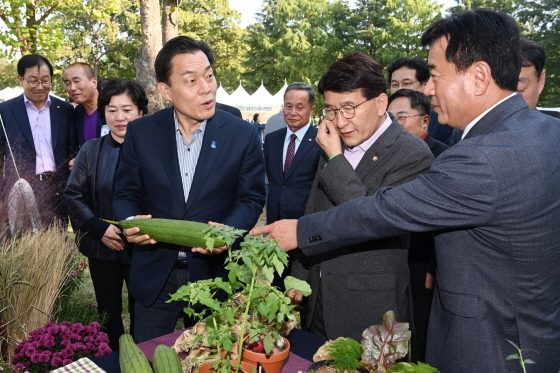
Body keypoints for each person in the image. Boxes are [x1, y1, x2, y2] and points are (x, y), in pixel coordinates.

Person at [252, 9, 560, 372]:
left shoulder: (479, 158)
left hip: (492, 347)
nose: (427, 89)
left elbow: (382, 211)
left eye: (436, 75)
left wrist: (299, 232)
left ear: (478, 77)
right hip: (532, 332)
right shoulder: (545, 132)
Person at [112, 36, 266, 343]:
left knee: (214, 357)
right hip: (156, 275)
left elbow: (251, 197)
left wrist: (228, 233)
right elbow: (124, 192)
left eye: (209, 75)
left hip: (216, 276)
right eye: (191, 80)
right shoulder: (142, 132)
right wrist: (130, 223)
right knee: (150, 359)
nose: (206, 87)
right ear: (166, 90)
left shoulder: (242, 134)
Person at [287, 53, 433, 342]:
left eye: (349, 108)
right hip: (318, 301)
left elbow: (368, 219)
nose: (340, 121)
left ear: (380, 103)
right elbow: (313, 212)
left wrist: (334, 157)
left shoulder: (413, 155)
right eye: (331, 110)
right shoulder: (333, 142)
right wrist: (299, 278)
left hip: (371, 311)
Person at [64, 80, 147, 351]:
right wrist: (100, 229)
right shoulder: (91, 149)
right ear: (104, 113)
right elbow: (73, 194)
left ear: (141, 112)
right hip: (102, 246)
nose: (119, 117)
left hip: (145, 248)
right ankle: (112, 357)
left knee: (144, 313)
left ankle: (142, 360)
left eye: (127, 109)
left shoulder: (155, 152)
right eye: (112, 110)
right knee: (108, 314)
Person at [387, 88, 447, 361]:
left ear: (425, 120)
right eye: (389, 118)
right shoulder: (382, 155)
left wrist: (435, 264)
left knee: (417, 338)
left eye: (402, 117)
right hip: (387, 262)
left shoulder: (445, 158)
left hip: (421, 264)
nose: (394, 125)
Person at [0, 54, 77, 226]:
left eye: (45, 80)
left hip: (57, 191)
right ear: (21, 79)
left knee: (54, 243)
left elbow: (72, 149)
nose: (40, 87)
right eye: (33, 81)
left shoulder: (64, 110)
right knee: (20, 245)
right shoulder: (4, 111)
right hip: (18, 191)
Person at [449, 37, 560, 145]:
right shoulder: (465, 133)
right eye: (499, 88)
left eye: (519, 89)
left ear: (540, 81)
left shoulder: (556, 132)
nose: (508, 101)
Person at [264, 82, 321, 224]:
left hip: (305, 222)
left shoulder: (322, 140)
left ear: (312, 109)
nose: (293, 112)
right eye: (288, 106)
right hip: (274, 219)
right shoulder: (272, 139)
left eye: (300, 107)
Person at [388, 57, 453, 144]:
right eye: (395, 85)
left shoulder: (444, 121)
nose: (400, 89)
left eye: (406, 83)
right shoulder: (383, 120)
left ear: (425, 85)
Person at [388, 89, 448, 158]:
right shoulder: (381, 151)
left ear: (425, 121)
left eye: (401, 117)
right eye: (390, 117)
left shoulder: (444, 155)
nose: (393, 123)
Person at [64, 63, 106, 146]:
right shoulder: (76, 113)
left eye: (77, 81)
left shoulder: (111, 108)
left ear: (94, 82)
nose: (72, 88)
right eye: (68, 83)